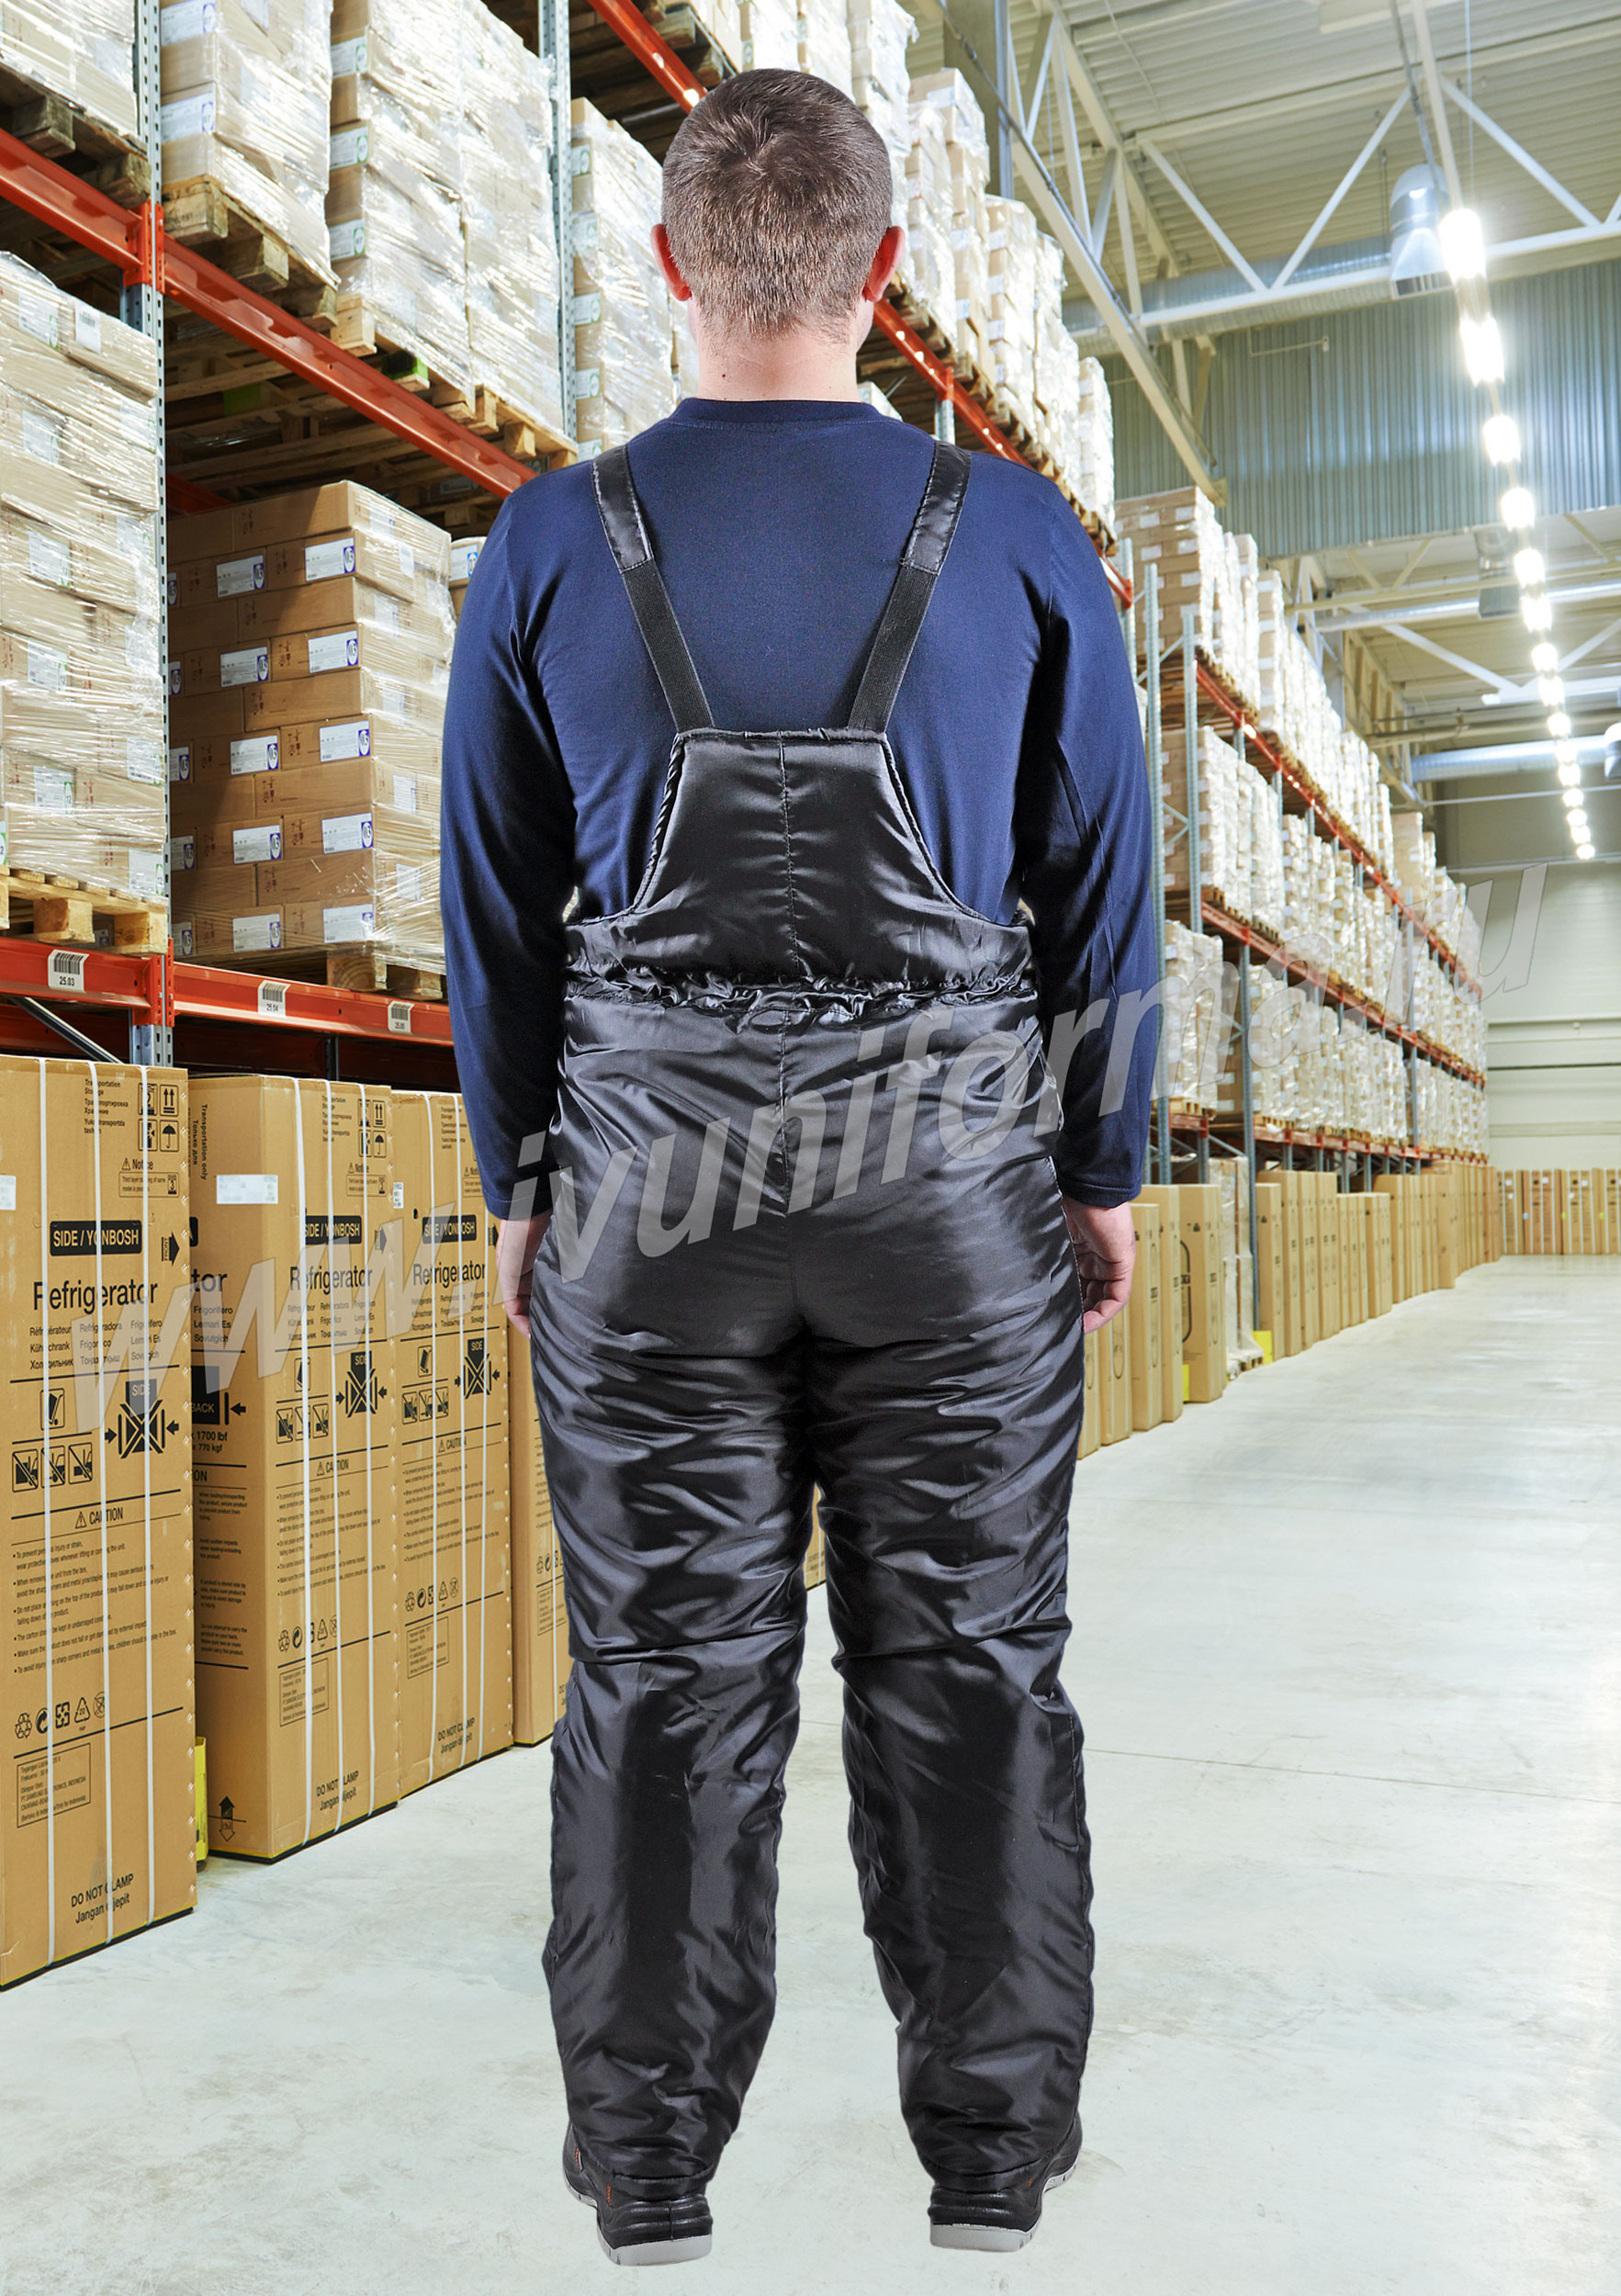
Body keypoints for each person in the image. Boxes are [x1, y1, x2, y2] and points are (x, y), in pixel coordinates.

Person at [441, 67, 1154, 2267]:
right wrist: (1101, 1166)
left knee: (662, 1679)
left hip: (646, 1201)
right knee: (972, 1666)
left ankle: (651, 2170)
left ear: (667, 262)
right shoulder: (1014, 532)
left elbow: (491, 903)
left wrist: (520, 1180)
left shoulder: (550, 538)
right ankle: (991, 2163)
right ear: (889, 270)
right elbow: (1105, 882)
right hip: (951, 1192)